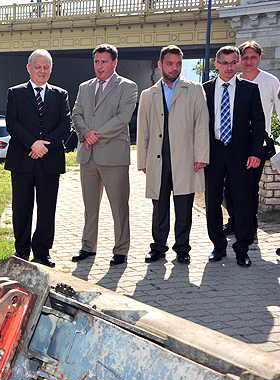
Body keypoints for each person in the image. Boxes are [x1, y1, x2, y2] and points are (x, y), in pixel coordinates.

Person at [137, 45, 210, 264]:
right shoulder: (148, 94)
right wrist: (142, 159)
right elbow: (143, 130)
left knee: (184, 206)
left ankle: (182, 248)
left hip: (185, 159)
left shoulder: (195, 89)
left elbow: (201, 124)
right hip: (157, 159)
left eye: (178, 64)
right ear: (160, 64)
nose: (174, 68)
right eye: (169, 64)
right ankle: (158, 247)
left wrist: (201, 155)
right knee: (159, 207)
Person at [71, 44, 138, 266]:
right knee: (90, 207)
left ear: (114, 63)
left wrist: (95, 135)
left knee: (119, 206)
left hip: (113, 155)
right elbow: (77, 113)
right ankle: (88, 247)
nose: (100, 66)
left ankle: (121, 249)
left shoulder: (128, 87)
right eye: (97, 62)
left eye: (104, 62)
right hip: (88, 156)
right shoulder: (84, 87)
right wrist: (85, 133)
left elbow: (122, 118)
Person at [4, 49, 71, 268]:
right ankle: (21, 249)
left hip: (49, 160)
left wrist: (44, 146)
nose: (42, 71)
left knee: (47, 207)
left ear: (51, 69)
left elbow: (65, 125)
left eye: (46, 67)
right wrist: (32, 144)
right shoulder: (15, 93)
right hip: (22, 159)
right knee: (21, 207)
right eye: (37, 67)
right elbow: (12, 123)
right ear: (28, 68)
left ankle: (42, 251)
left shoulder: (60, 94)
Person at [202, 46, 265, 267]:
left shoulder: (250, 89)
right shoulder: (205, 90)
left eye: (233, 62)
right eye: (224, 63)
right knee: (212, 201)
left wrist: (256, 152)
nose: (229, 67)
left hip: (241, 153)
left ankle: (242, 249)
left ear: (238, 63)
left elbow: (259, 123)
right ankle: (218, 246)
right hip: (213, 152)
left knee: (242, 201)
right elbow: (198, 125)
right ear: (216, 64)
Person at [223, 41, 279, 237]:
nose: (248, 61)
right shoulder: (232, 81)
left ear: (259, 58)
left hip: (257, 144)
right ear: (239, 61)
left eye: (253, 57)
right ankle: (233, 220)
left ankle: (250, 225)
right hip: (233, 143)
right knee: (228, 186)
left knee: (248, 188)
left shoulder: (271, 81)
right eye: (244, 58)